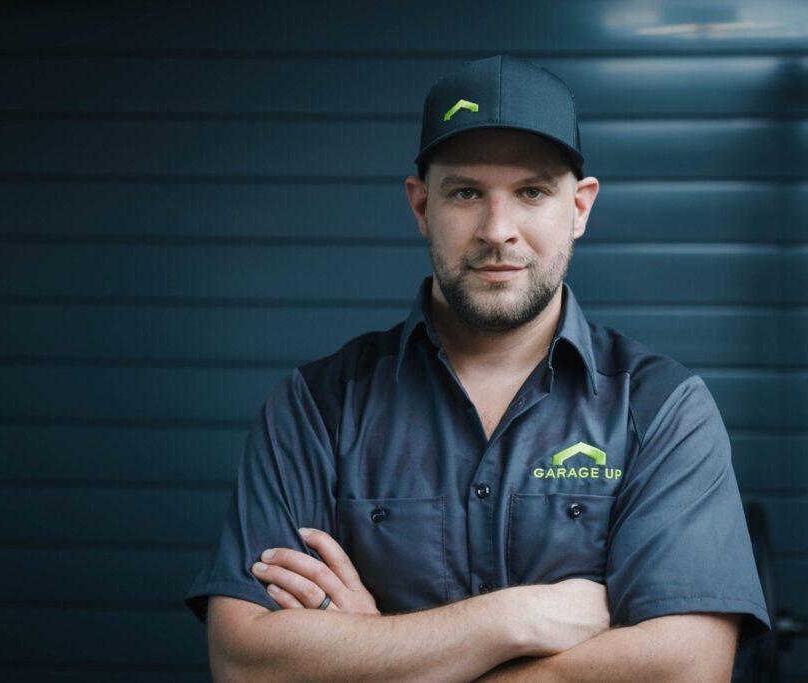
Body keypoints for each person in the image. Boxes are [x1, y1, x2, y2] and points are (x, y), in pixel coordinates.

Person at [184, 54, 771, 682]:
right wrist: (515, 618)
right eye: (466, 192)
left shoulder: (660, 408)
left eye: (532, 192)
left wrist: (377, 649)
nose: (498, 230)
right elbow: (247, 664)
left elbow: (687, 669)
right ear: (420, 205)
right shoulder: (317, 406)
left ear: (580, 207)